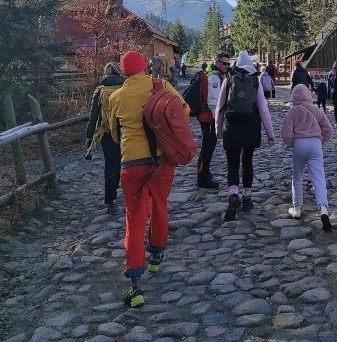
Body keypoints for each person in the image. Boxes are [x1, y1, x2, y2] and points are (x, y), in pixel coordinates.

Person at [107, 50, 185, 308]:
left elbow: (114, 133)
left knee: (134, 219)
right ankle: (156, 256)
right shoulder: (162, 86)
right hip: (161, 161)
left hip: (131, 165)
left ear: (124, 71)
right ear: (145, 67)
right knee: (160, 207)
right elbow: (183, 110)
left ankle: (136, 286)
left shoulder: (117, 97)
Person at [215, 50, 274, 221]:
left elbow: (220, 106)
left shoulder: (229, 79)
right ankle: (247, 198)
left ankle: (233, 195)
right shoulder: (255, 80)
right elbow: (263, 109)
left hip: (232, 125)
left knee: (232, 163)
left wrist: (218, 128)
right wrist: (270, 133)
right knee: (247, 162)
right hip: (251, 126)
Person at [281, 84, 334, 230]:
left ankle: (297, 208)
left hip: (299, 143)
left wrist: (292, 143)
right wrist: (323, 139)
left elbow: (286, 133)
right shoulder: (316, 110)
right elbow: (328, 128)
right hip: (316, 143)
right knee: (318, 176)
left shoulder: (292, 111)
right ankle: (323, 208)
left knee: (297, 176)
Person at [84, 62, 125, 215]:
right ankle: (125, 192)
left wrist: (89, 136)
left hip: (107, 133)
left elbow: (93, 116)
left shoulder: (100, 91)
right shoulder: (124, 88)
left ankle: (110, 199)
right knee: (124, 163)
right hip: (125, 132)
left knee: (110, 164)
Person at [196, 53, 230, 189]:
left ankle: (205, 173)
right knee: (207, 148)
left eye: (228, 64)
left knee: (209, 147)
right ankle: (202, 177)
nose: (226, 66)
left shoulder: (215, 75)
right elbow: (212, 101)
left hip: (208, 117)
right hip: (208, 118)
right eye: (224, 63)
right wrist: (218, 121)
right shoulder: (214, 77)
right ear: (217, 62)